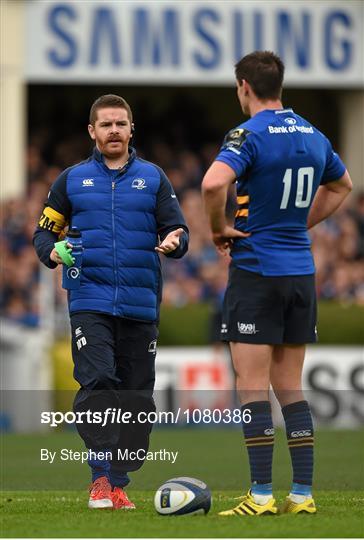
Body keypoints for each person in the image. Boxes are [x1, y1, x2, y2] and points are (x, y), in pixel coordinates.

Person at [202, 51, 352, 516]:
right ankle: (302, 495)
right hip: (300, 272)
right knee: (291, 387)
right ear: (279, 84)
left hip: (257, 270)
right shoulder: (312, 133)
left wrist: (217, 229)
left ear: (244, 86)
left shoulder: (247, 135)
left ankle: (262, 495)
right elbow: (342, 185)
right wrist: (300, 225)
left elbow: (212, 184)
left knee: (252, 386)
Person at [33, 94, 189, 509]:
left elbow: (178, 230)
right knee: (98, 381)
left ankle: (119, 481)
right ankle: (99, 478)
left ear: (131, 129)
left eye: (121, 123)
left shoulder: (154, 179)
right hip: (89, 298)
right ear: (93, 131)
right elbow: (43, 233)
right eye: (106, 124)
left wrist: (175, 242)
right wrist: (52, 252)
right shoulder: (71, 180)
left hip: (140, 303)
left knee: (138, 398)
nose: (114, 130)